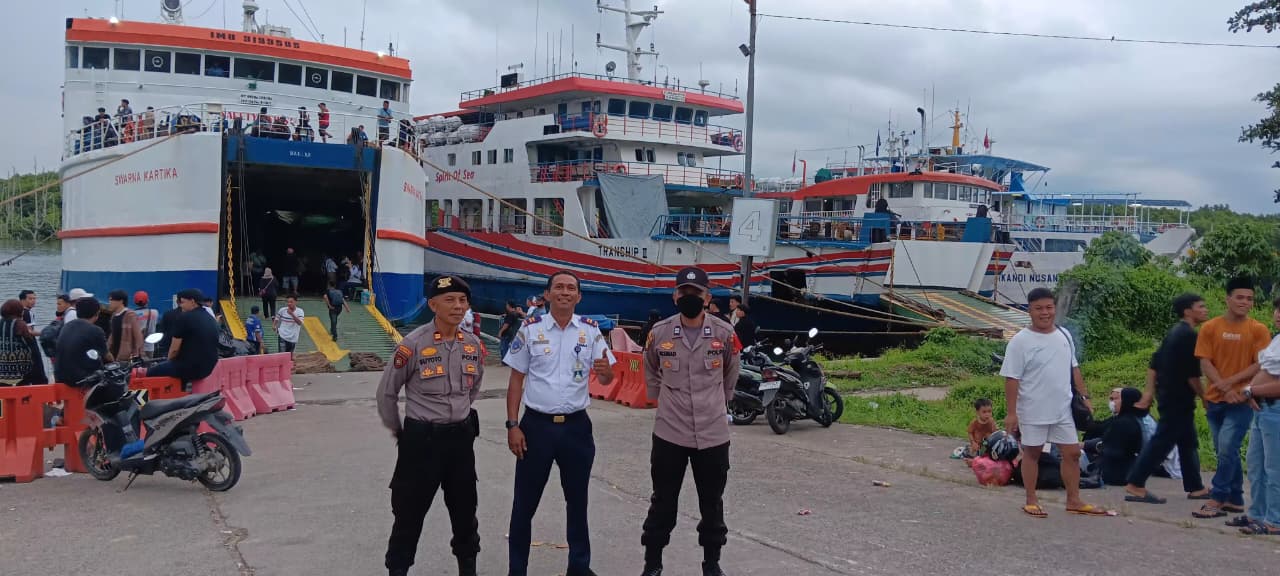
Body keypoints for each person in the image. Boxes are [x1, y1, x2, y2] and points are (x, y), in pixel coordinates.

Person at [504, 270, 616, 576]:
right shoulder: (530, 329)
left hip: (577, 428)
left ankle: (579, 568)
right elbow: (516, 380)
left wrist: (606, 371)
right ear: (548, 295)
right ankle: (517, 569)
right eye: (559, 287)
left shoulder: (591, 331)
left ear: (579, 296)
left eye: (571, 288)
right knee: (523, 505)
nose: (565, 292)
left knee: (577, 502)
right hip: (536, 427)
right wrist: (512, 425)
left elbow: (606, 377)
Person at [378, 275, 485, 576]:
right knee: (408, 515)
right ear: (433, 305)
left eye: (462, 300)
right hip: (421, 442)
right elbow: (387, 392)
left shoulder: (473, 344)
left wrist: (459, 413)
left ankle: (468, 568)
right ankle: (397, 570)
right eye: (449, 300)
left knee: (466, 513)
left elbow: (473, 387)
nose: (457, 306)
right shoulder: (412, 344)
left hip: (461, 442)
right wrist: (401, 432)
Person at [640, 266, 739, 576]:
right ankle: (653, 565)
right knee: (663, 503)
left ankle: (712, 565)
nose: (689, 297)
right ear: (675, 295)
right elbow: (650, 367)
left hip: (712, 433)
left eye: (696, 293)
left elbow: (730, 372)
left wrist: (717, 400)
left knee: (712, 503)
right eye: (684, 292)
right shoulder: (661, 332)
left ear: (707, 297)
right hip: (670, 431)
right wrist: (662, 397)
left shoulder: (725, 333)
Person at [999, 287, 1105, 518]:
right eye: (1039, 308)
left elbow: (1073, 368)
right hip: (1033, 409)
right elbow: (1011, 378)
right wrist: (1011, 413)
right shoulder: (1020, 342)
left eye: (1049, 307)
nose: (1044, 313)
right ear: (1029, 311)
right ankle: (1030, 500)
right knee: (1033, 453)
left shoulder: (1064, 335)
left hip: (1063, 409)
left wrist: (1084, 396)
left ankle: (1074, 500)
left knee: (1073, 453)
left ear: (1055, 308)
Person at [1193, 277, 1271, 519]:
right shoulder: (1210, 328)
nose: (1245, 302)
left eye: (1249, 299)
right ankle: (1235, 500)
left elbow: (1261, 364)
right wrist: (1223, 387)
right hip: (1216, 399)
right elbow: (1205, 361)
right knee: (1224, 450)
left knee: (1227, 447)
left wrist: (1233, 384)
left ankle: (1217, 497)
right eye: (1240, 297)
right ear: (1227, 299)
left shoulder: (1258, 330)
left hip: (1242, 401)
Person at [1126, 293, 1210, 503]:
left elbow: (1154, 363)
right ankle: (1135, 483)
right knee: (1162, 442)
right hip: (1177, 398)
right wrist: (1205, 397)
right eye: (1200, 306)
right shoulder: (1187, 336)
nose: (1205, 310)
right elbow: (1192, 375)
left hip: (1170, 396)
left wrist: (1149, 392)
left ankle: (1195, 486)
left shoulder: (1175, 332)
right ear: (1187, 311)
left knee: (1188, 441)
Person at [1231, 295, 1280, 535]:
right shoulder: (1277, 340)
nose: (1279, 314)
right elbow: (1265, 370)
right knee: (1256, 465)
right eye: (1278, 308)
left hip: (1276, 411)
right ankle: (1258, 514)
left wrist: (1252, 389)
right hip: (1262, 410)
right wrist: (1252, 392)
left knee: (1275, 469)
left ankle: (1275, 520)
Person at [146, 289, 219, 387]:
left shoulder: (185, 317)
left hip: (190, 367)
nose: (181, 305)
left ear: (192, 301)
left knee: (151, 372)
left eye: (183, 302)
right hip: (208, 367)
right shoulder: (210, 318)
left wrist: (169, 361)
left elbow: (174, 350)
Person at [1096, 388, 1147, 486]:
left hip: (1116, 474)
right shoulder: (1135, 419)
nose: (1114, 403)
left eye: (1118, 399)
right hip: (1129, 471)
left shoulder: (1123, 423)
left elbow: (1113, 450)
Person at [54, 298, 107, 387]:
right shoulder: (96, 330)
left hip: (60, 376)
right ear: (97, 313)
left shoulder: (66, 326)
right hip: (80, 379)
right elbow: (106, 355)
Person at [0, 299, 43, 385]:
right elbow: (32, 349)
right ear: (18, 311)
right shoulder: (20, 324)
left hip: (2, 372)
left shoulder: (1, 324)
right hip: (21, 372)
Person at [105, 290, 143, 362]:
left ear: (121, 301)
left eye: (111, 300)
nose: (110, 302)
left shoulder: (130, 315)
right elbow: (113, 334)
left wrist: (140, 354)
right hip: (114, 354)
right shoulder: (114, 316)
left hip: (126, 356)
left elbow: (138, 336)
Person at [133, 291, 160, 359]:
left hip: (136, 347)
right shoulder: (154, 312)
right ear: (147, 300)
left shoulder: (131, 314)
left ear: (135, 302)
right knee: (148, 367)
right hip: (149, 347)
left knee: (135, 368)